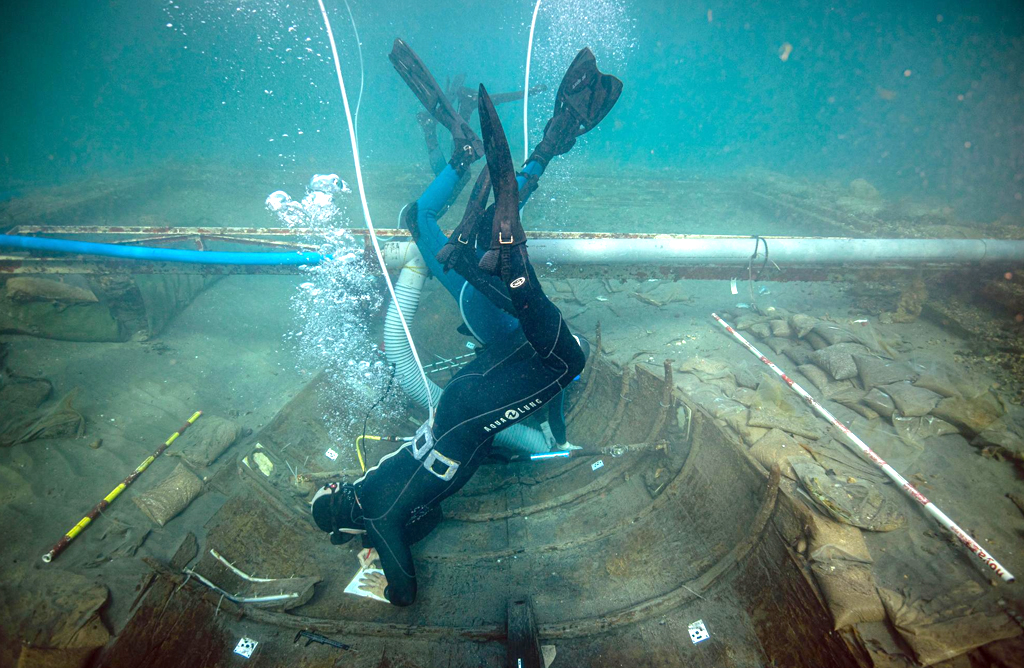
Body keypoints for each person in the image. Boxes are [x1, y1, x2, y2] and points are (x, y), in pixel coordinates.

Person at [311, 45, 622, 607]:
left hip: (471, 407)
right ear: (338, 493)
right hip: (458, 401)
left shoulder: (381, 518)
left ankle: (513, 236)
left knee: (531, 330)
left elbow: (404, 590)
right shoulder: (377, 504)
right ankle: (533, 159)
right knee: (448, 236)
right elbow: (417, 511)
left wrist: (381, 555)